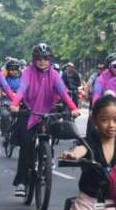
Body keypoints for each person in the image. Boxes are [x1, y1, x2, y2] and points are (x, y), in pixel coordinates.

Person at [9, 43, 80, 197]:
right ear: (34, 59)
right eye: (39, 58)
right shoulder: (28, 72)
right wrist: (14, 104)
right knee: (26, 144)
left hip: (48, 111)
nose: (42, 61)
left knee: (50, 134)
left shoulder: (54, 74)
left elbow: (63, 92)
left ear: (50, 59)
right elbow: (21, 89)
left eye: (45, 58)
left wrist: (73, 108)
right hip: (29, 111)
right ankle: (22, 182)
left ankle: (46, 157)